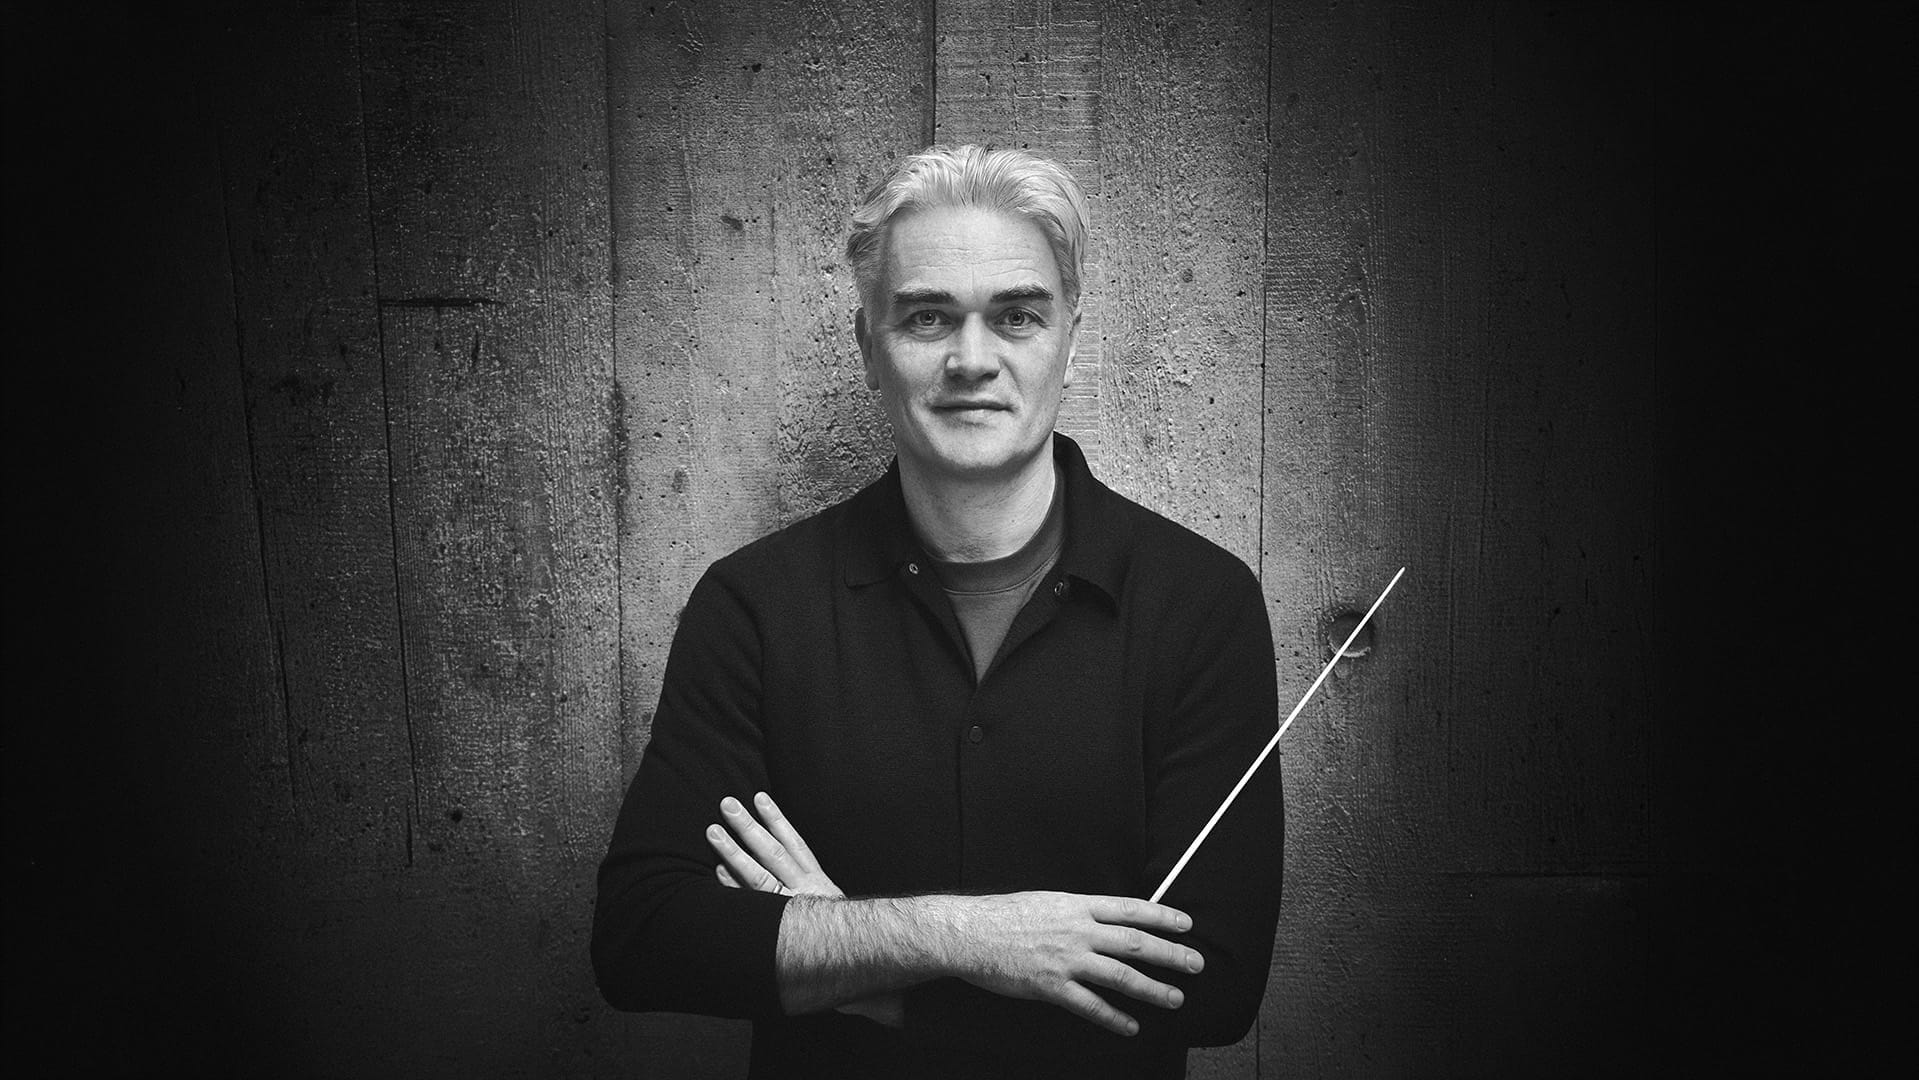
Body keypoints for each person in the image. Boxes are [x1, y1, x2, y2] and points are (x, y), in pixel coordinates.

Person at [592, 144, 1284, 1078]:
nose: (971, 359)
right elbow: (645, 940)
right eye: (926, 317)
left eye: (1016, 316)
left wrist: (857, 968)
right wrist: (962, 936)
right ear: (867, 346)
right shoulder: (752, 605)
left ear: (1069, 341)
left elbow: (1211, 987)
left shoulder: (1202, 607)